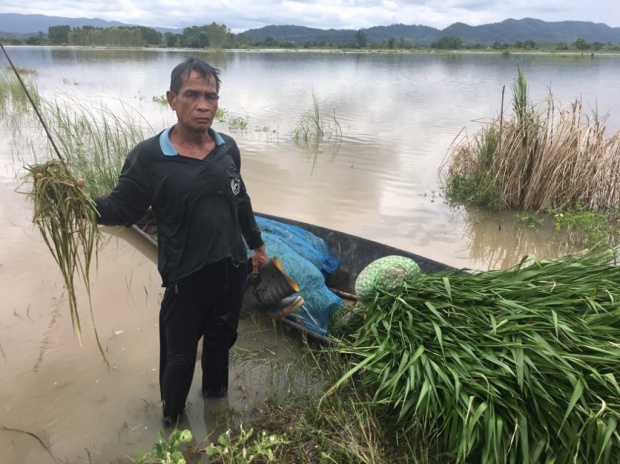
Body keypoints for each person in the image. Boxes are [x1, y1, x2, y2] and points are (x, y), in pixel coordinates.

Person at [94, 57, 268, 425]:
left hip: (231, 269)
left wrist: (256, 245)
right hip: (186, 278)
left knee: (222, 344)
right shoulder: (150, 157)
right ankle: (172, 426)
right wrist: (76, 201)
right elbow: (118, 210)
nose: (203, 105)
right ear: (172, 99)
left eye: (211, 96)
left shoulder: (227, 148)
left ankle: (216, 407)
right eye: (192, 95)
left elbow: (240, 199)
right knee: (179, 358)